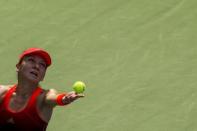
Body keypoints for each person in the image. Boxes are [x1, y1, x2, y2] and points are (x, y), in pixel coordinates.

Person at [0, 48, 84, 131]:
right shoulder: (2, 92)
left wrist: (64, 98)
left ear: (43, 76)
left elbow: (53, 98)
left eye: (42, 65)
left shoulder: (43, 98)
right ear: (18, 66)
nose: (37, 66)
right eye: (31, 60)